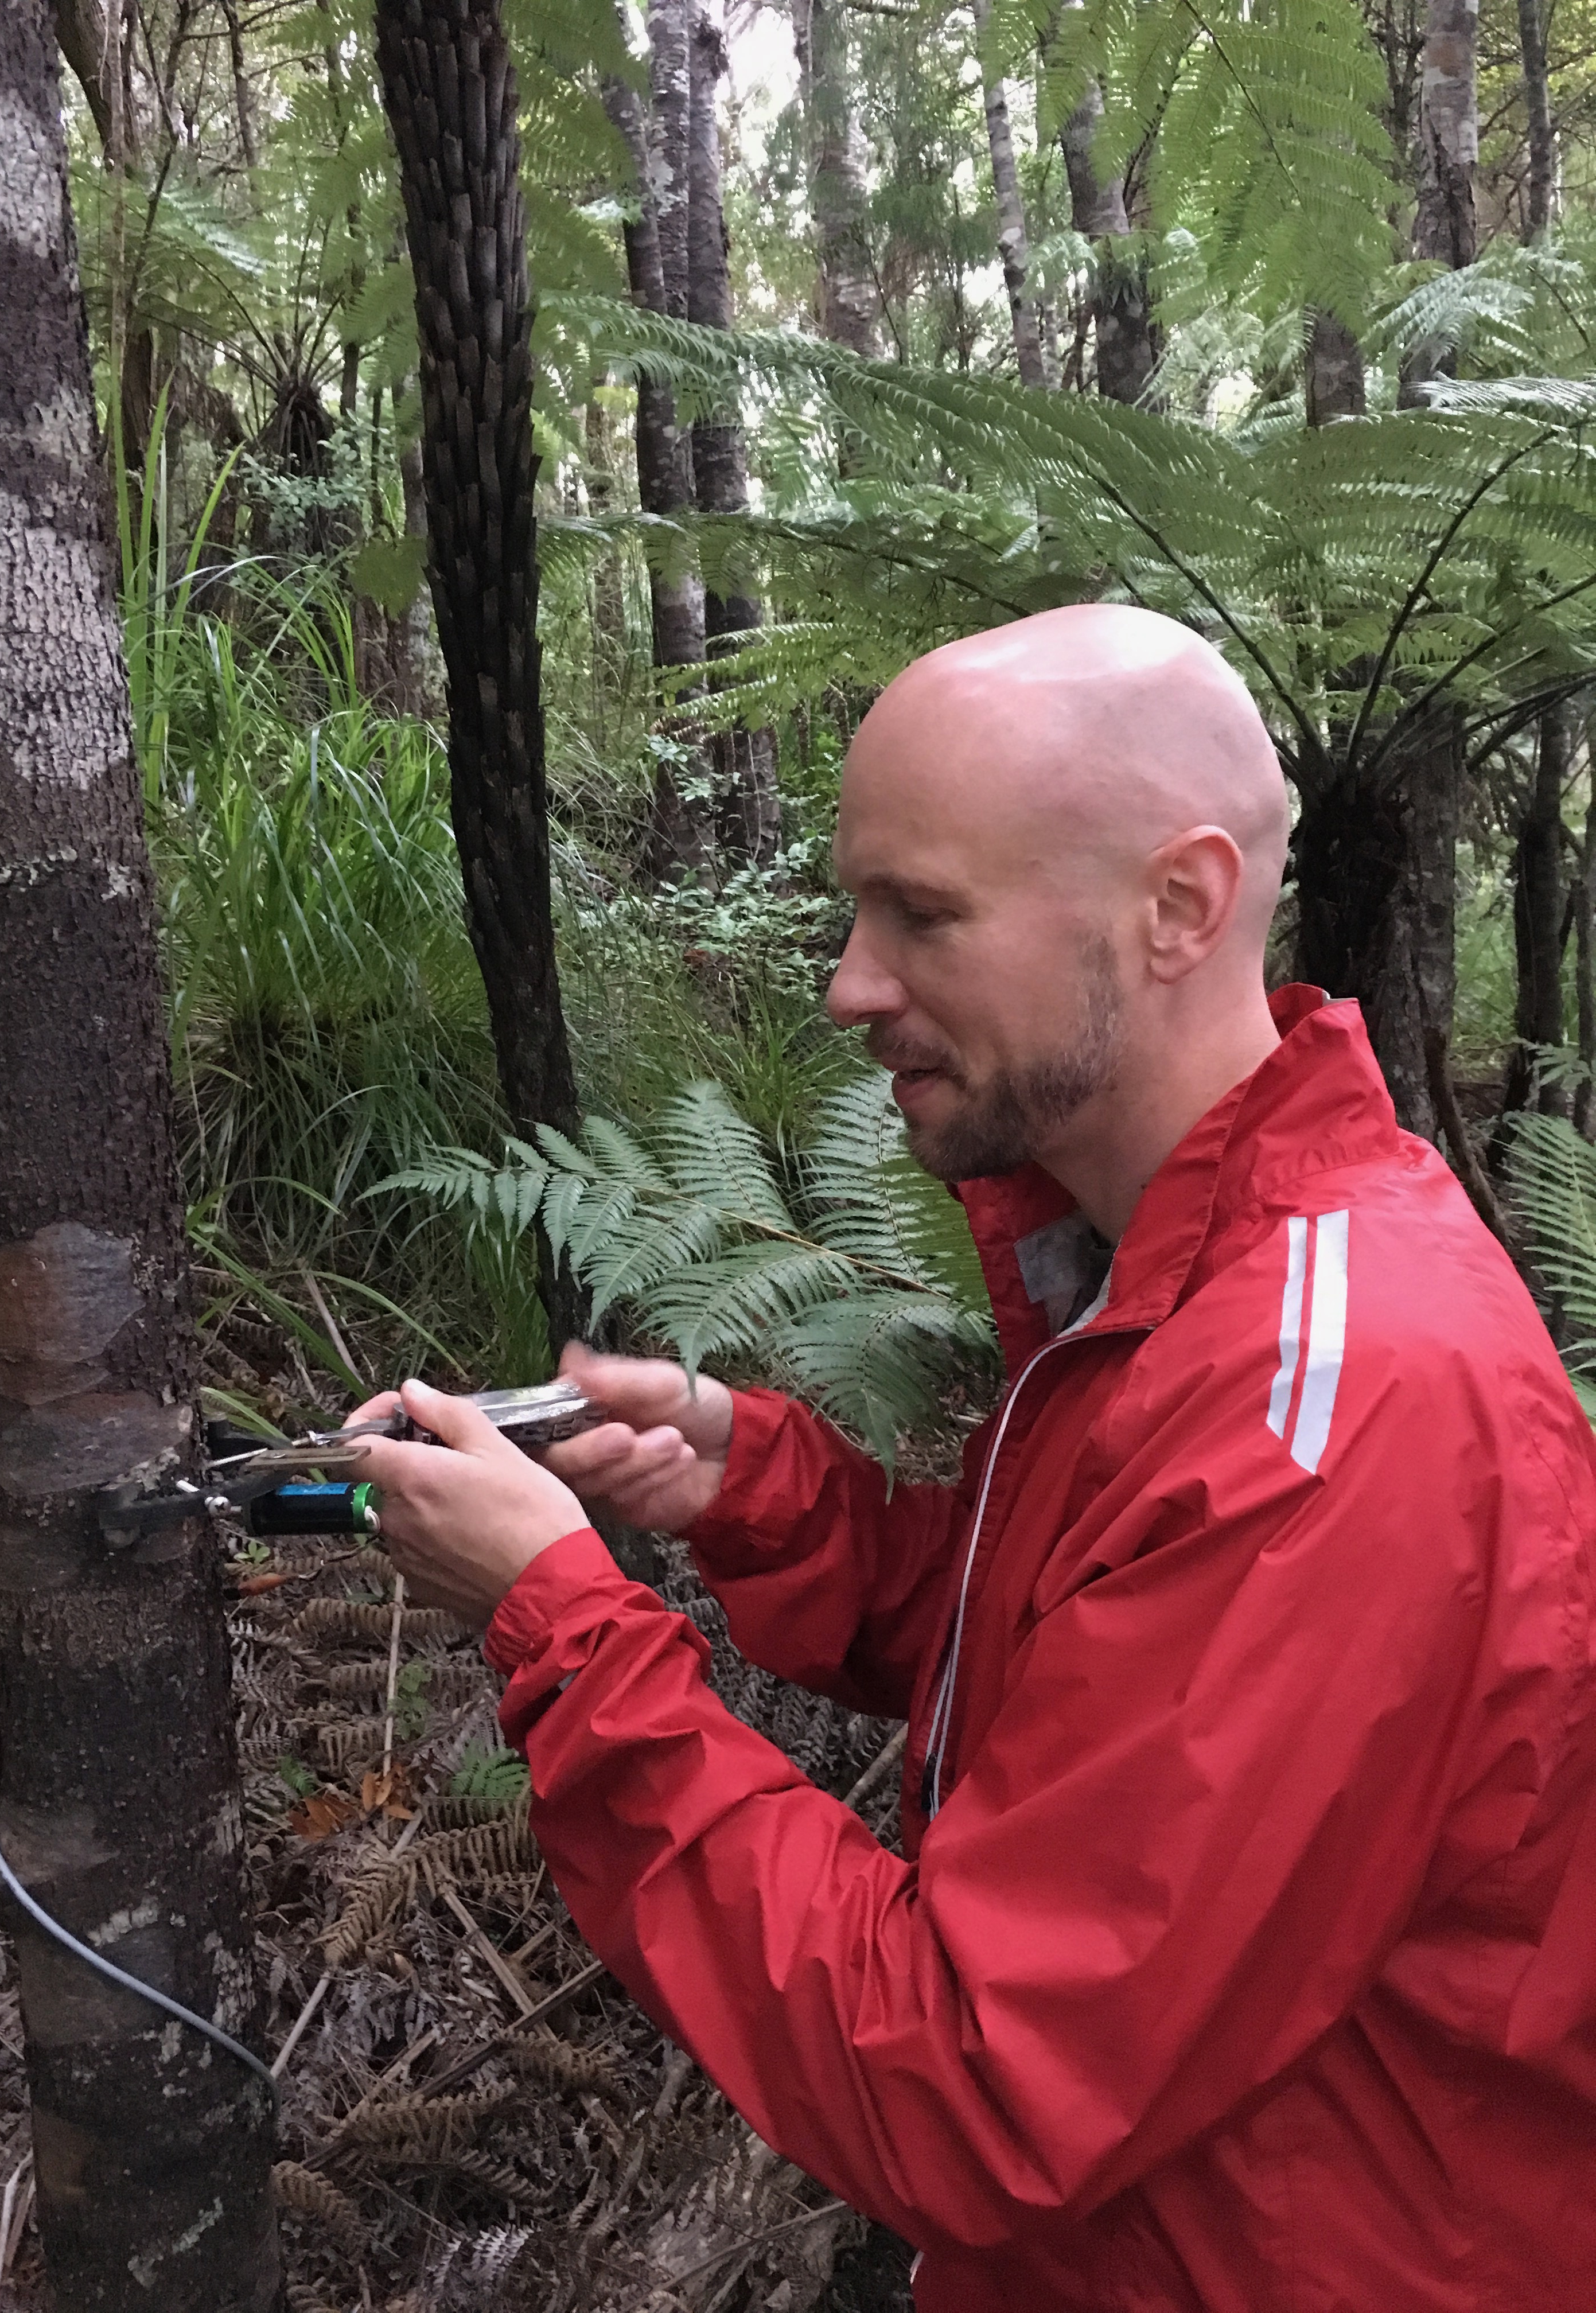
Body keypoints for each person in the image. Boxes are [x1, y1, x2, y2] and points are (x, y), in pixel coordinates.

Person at [349, 605, 1596, 2312]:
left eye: (922, 916)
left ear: (1179, 907)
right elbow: (1096, 1672)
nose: (852, 983)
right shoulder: (1179, 1278)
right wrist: (753, 1485)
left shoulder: (1332, 1404)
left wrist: (563, 1624)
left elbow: (978, 2080)